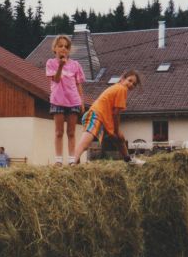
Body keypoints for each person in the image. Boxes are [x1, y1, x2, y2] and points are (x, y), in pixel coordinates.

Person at [73, 70, 143, 165]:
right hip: (96, 115)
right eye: (130, 80)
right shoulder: (122, 89)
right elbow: (116, 114)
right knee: (85, 143)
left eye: (134, 84)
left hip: (104, 118)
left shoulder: (118, 88)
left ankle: (128, 160)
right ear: (122, 79)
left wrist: (116, 132)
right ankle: (72, 162)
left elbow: (113, 112)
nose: (131, 84)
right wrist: (116, 130)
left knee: (120, 139)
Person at [46, 35, 86, 166]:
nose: (63, 48)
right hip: (57, 101)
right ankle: (58, 160)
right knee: (59, 132)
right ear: (55, 48)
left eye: (66, 47)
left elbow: (79, 84)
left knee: (71, 132)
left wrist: (81, 101)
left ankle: (71, 160)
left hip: (73, 102)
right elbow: (56, 80)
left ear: (69, 50)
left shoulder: (76, 65)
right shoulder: (50, 63)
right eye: (60, 46)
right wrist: (60, 66)